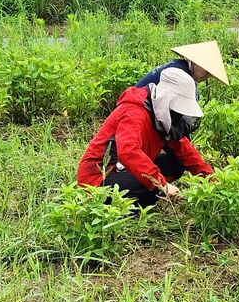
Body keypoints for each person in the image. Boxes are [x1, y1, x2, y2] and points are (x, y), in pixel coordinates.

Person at [77, 66, 214, 207]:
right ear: (168, 101)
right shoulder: (134, 112)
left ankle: (145, 198)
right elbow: (128, 152)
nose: (179, 115)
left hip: (126, 170)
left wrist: (212, 179)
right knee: (145, 184)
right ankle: (129, 208)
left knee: (177, 163)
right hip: (98, 181)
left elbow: (184, 150)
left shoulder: (160, 114)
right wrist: (161, 184)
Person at [136, 40, 231, 91]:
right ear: (195, 63)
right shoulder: (179, 74)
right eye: (207, 72)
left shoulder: (180, 65)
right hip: (136, 110)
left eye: (210, 75)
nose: (207, 77)